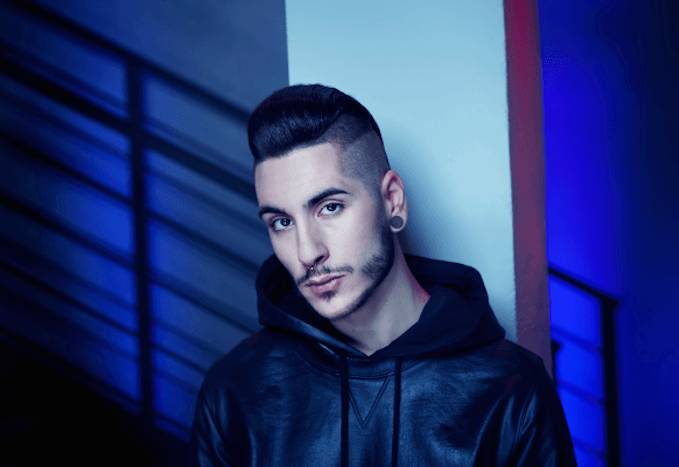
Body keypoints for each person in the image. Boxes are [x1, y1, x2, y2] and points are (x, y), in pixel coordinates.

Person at [190, 84, 577, 466]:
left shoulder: (511, 390)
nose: (307, 252)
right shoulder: (234, 392)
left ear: (392, 199)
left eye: (330, 207)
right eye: (282, 222)